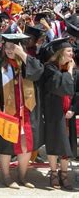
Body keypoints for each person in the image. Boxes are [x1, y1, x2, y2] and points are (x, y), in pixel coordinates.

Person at [0, 33, 44, 189]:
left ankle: (22, 175)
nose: (10, 50)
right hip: (7, 110)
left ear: (20, 48)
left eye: (13, 47)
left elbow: (39, 72)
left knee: (26, 144)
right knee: (6, 143)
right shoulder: (0, 64)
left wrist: (23, 55)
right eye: (7, 48)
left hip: (27, 110)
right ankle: (6, 176)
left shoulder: (27, 62)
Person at [41, 37, 77, 191]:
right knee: (54, 141)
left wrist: (74, 108)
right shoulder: (50, 69)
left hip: (68, 113)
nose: (72, 54)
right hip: (53, 111)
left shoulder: (75, 70)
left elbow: (77, 93)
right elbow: (61, 88)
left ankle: (64, 173)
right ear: (61, 52)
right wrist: (68, 72)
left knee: (67, 143)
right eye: (69, 51)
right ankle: (54, 173)